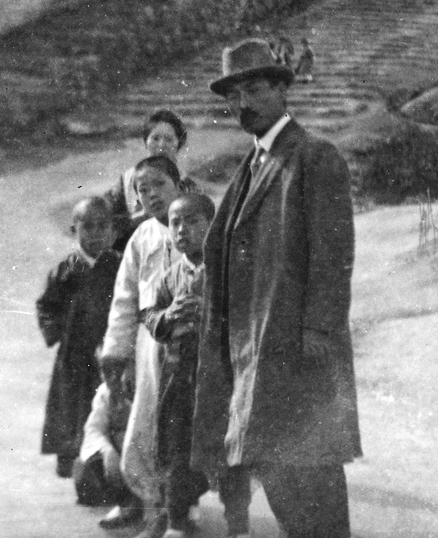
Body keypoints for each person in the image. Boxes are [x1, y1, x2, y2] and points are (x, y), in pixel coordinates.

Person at [192, 38, 361, 538]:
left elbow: (333, 258)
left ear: (283, 90)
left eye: (256, 89)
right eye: (233, 95)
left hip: (298, 356)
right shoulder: (252, 165)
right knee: (282, 482)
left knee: (311, 485)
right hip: (257, 354)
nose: (243, 103)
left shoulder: (313, 157)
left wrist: (317, 336)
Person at [141, 193, 252, 538]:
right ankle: (177, 520)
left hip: (222, 380)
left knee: (231, 452)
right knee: (177, 450)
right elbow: (149, 316)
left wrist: (211, 311)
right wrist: (168, 316)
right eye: (175, 223)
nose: (182, 230)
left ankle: (238, 525)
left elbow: (249, 317)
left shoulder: (229, 270)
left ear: (212, 225)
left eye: (192, 221)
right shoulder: (170, 275)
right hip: (179, 380)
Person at [100, 155, 181, 537]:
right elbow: (125, 298)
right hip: (150, 349)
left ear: (177, 184)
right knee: (149, 427)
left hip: (190, 346)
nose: (151, 195)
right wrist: (117, 351)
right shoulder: (142, 237)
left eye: (159, 185)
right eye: (142, 190)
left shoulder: (197, 226)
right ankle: (157, 511)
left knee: (185, 428)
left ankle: (184, 508)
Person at [38, 196, 122, 478]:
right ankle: (70, 454)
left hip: (110, 346)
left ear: (113, 231)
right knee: (72, 403)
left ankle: (108, 460)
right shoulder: (66, 270)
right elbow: (47, 306)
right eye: (87, 227)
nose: (95, 234)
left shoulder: (120, 266)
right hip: (75, 352)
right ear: (74, 230)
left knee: (109, 403)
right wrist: (60, 330)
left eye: (102, 226)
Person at [105, 109, 200, 251]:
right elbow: (107, 223)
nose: (161, 145)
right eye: (155, 138)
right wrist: (139, 218)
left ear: (179, 144)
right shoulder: (127, 182)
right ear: (146, 142)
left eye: (169, 139)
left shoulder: (189, 187)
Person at [74, 374, 144, 528]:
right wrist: (108, 452)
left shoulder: (150, 384)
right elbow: (93, 428)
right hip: (126, 451)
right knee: (93, 459)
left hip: (148, 449)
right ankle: (127, 503)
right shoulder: (107, 391)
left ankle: (169, 508)